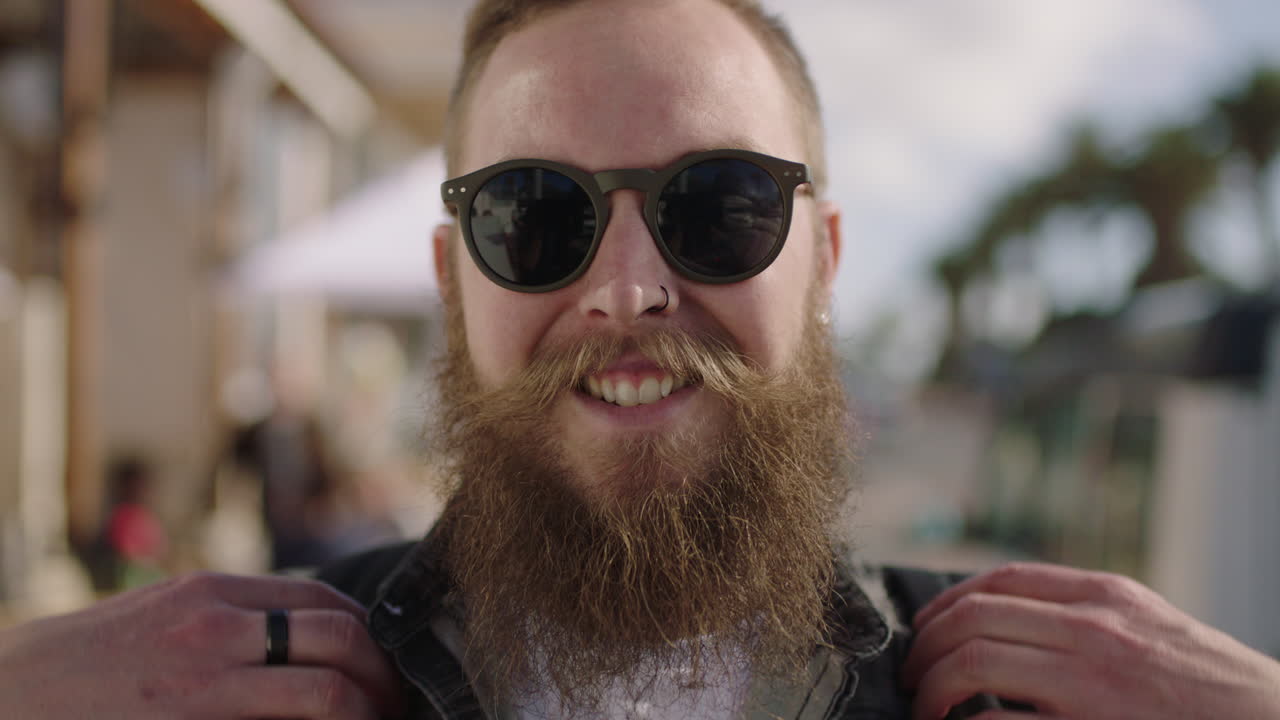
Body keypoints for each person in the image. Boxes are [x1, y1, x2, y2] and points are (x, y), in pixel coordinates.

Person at [2, 1, 1279, 718]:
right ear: (455, 283)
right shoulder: (222, 693)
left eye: (719, 204)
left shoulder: (1039, 700)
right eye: (533, 215)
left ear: (823, 264)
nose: (624, 289)